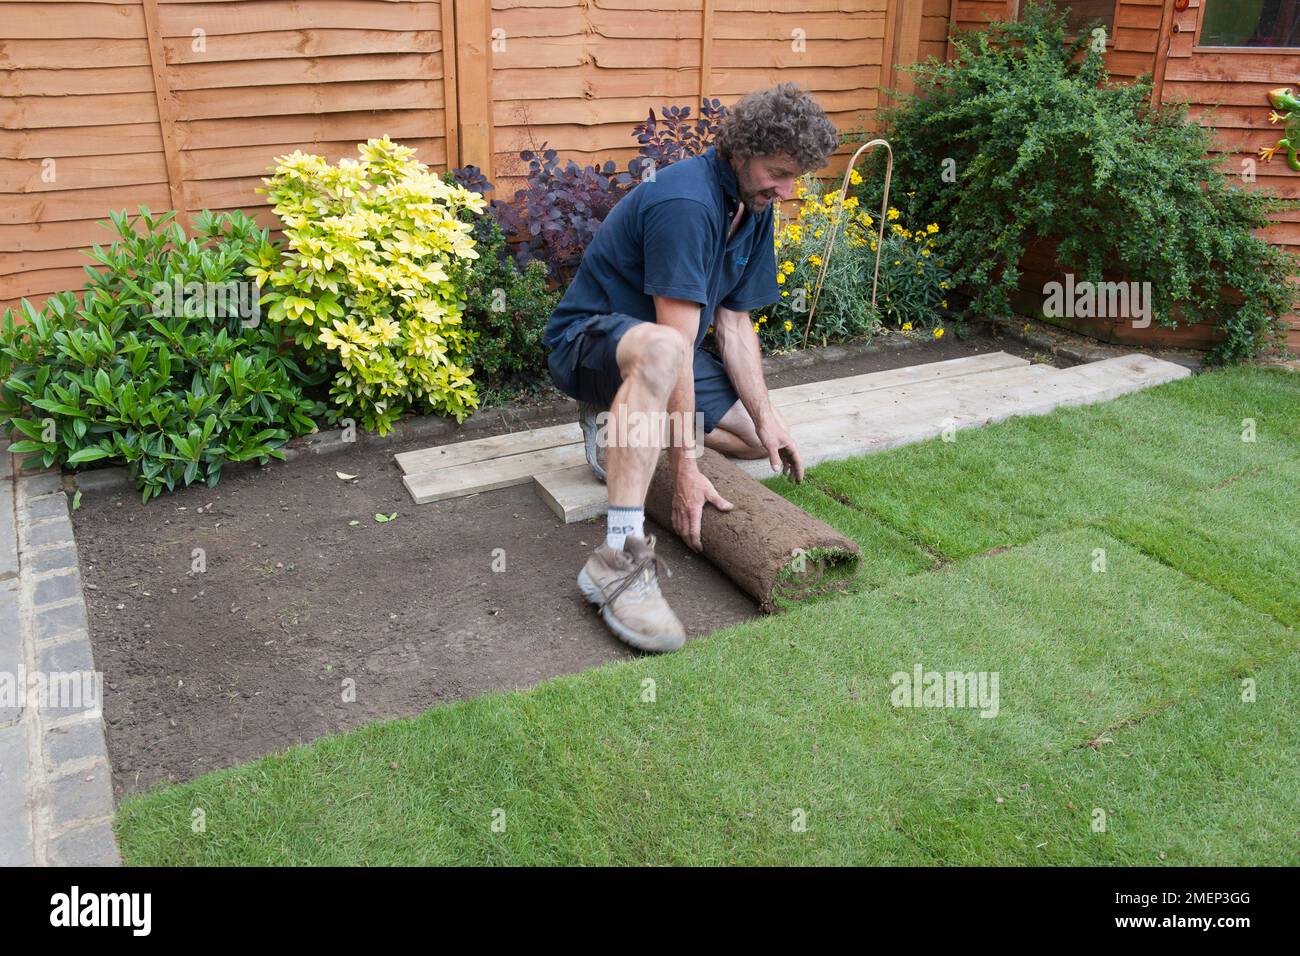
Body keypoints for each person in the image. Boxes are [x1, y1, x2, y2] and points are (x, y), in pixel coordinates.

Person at [542, 82, 840, 652]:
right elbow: (673, 347)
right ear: (741, 150)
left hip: (665, 351)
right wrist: (685, 468)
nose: (787, 188)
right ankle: (619, 557)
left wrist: (769, 416)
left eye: (796, 176)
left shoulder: (752, 204)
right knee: (662, 355)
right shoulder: (687, 203)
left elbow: (733, 325)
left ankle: (625, 427)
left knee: (758, 440)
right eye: (779, 171)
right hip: (590, 345)